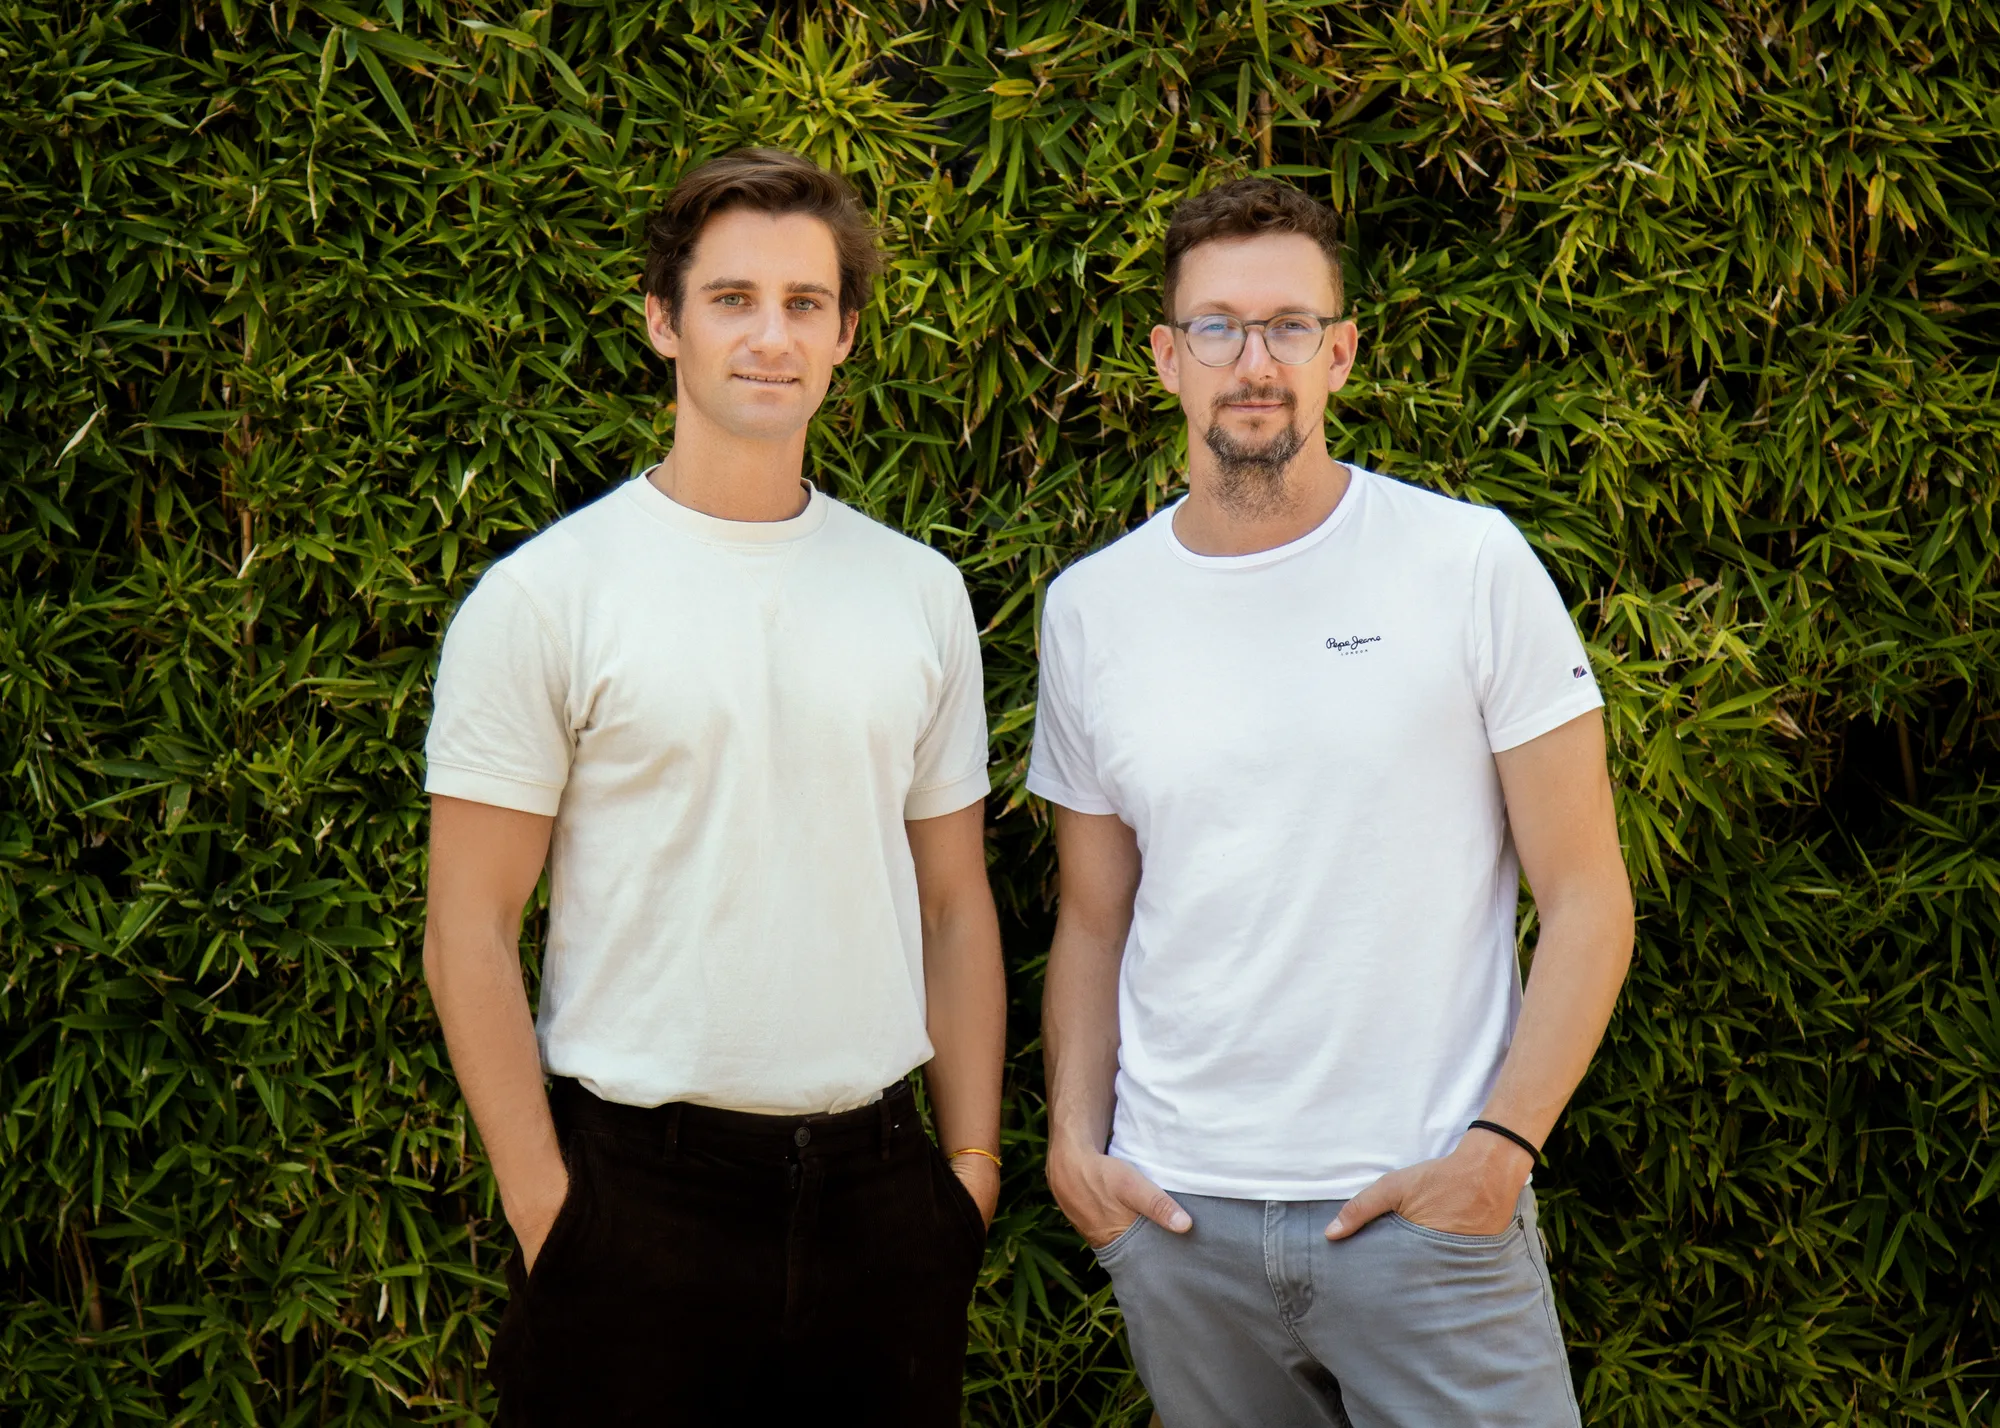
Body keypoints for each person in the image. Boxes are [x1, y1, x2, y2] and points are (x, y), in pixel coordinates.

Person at [1031, 177, 1635, 1426]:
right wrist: (1076, 1152)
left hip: (1426, 1220)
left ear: (1340, 351)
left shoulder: (1466, 562)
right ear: (1165, 357)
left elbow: (1585, 894)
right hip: (1180, 1223)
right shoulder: (1092, 606)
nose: (1254, 361)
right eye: (1216, 327)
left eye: (1288, 325)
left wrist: (1496, 1156)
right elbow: (1092, 916)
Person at [421, 147, 1004, 1427]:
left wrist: (966, 1174)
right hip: (634, 1202)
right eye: (732, 298)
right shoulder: (545, 597)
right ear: (662, 321)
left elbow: (954, 903)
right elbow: (467, 927)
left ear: (845, 335)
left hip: (880, 1198)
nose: (769, 336)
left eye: (804, 304)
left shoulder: (917, 591)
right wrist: (546, 1210)